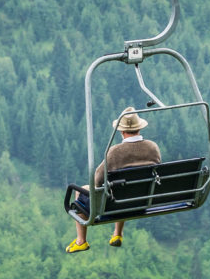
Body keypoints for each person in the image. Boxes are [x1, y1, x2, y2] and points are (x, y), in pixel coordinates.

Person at [65, 106, 161, 253]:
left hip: (116, 205)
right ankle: (117, 234)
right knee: (125, 189)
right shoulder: (153, 148)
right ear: (139, 128)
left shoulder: (115, 152)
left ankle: (81, 241)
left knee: (83, 190)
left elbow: (97, 180)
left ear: (122, 131)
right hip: (142, 202)